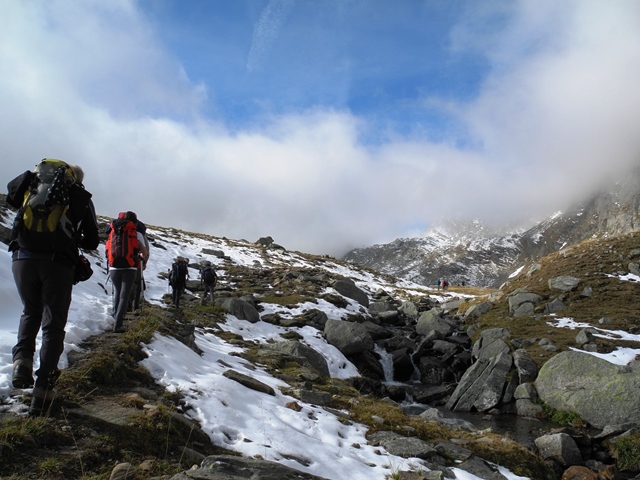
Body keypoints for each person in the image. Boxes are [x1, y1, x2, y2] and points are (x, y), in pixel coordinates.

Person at [6, 160, 99, 416]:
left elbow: (10, 200)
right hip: (57, 265)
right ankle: (43, 391)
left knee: (30, 311)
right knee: (53, 324)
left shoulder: (32, 186)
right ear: (76, 179)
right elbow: (92, 240)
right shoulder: (78, 195)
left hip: (22, 260)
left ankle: (21, 364)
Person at [105, 211, 147, 333]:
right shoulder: (136, 233)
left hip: (114, 267)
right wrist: (141, 258)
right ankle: (118, 325)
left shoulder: (112, 232)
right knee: (124, 296)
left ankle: (115, 317)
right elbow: (144, 253)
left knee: (118, 293)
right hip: (130, 267)